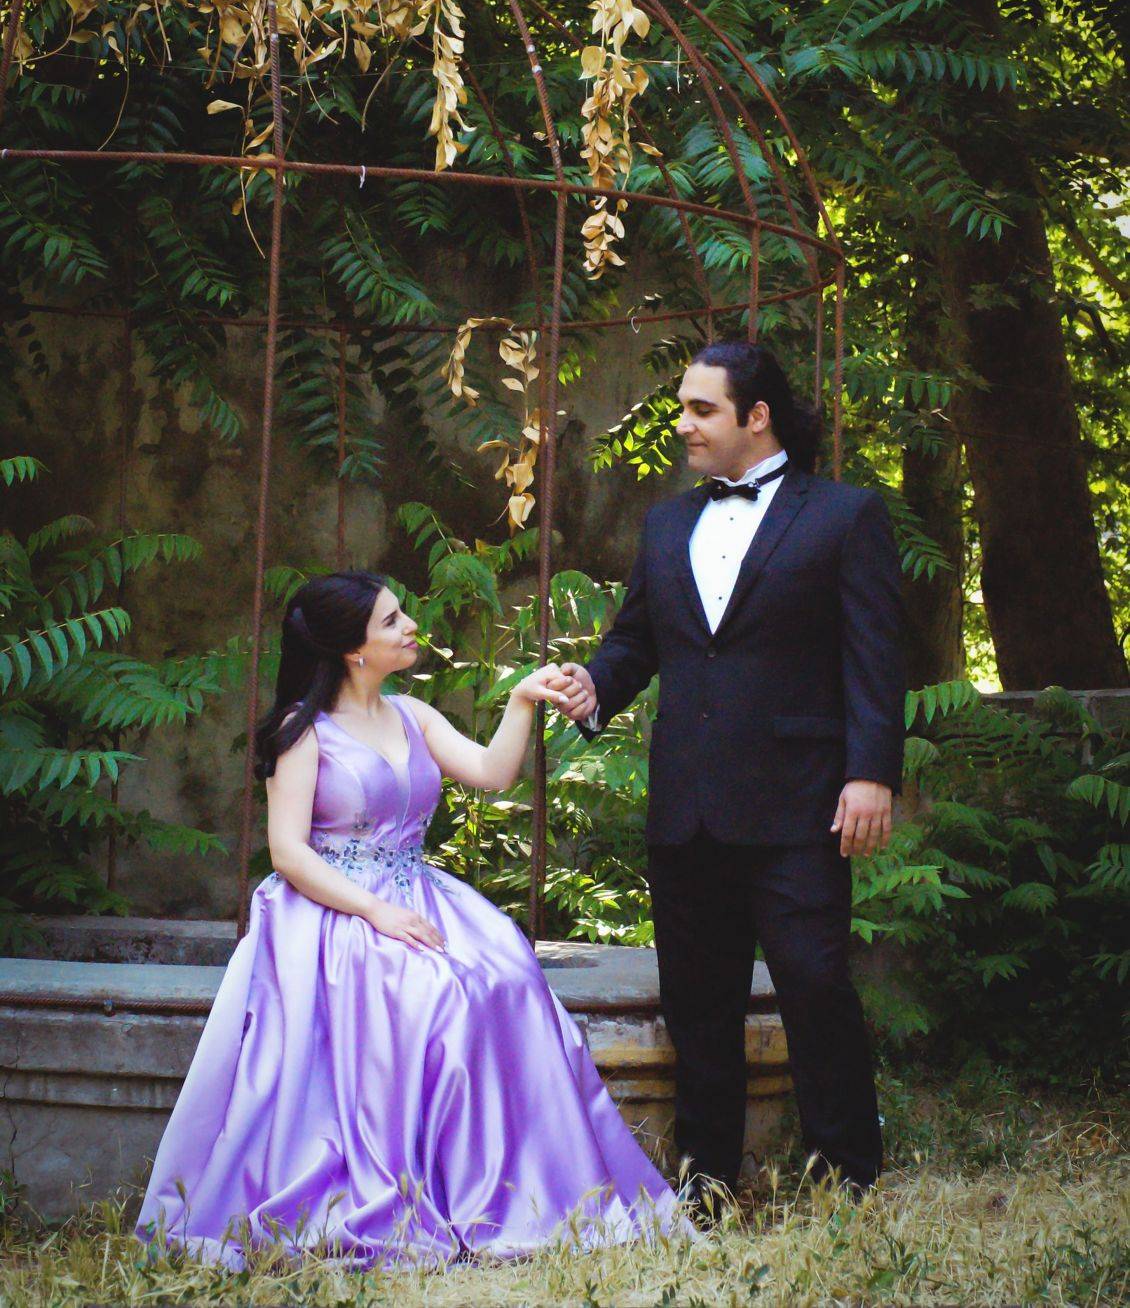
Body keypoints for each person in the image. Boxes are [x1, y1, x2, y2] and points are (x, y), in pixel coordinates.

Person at [136, 571, 683, 1267]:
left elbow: (492, 773)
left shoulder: (412, 714)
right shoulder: (303, 732)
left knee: (506, 976)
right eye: (392, 620)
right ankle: (398, 1183)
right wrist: (374, 911)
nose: (410, 627)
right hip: (335, 907)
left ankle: (504, 1188)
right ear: (352, 649)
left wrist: (521, 699)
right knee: (433, 992)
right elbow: (288, 852)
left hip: (417, 892)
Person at [554, 341, 905, 1200]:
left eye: (701, 410)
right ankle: (705, 1181)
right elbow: (636, 640)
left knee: (815, 985)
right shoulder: (666, 523)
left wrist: (871, 773)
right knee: (698, 1002)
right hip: (689, 804)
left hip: (801, 805)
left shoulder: (845, 516)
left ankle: (846, 1177)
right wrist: (593, 686)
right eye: (682, 408)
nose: (683, 425)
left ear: (758, 416)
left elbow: (874, 657)